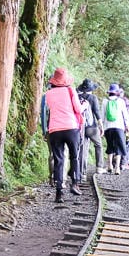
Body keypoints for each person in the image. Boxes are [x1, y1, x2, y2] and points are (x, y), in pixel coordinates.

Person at [40, 67, 84, 203]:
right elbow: (78, 109)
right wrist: (86, 106)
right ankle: (75, 184)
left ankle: (59, 192)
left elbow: (43, 113)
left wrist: (44, 130)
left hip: (54, 130)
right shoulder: (70, 91)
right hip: (71, 128)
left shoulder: (47, 94)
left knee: (59, 160)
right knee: (74, 157)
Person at [102, 83, 129, 174]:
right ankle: (117, 168)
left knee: (110, 146)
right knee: (119, 147)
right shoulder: (121, 101)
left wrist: (102, 128)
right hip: (119, 127)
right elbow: (125, 116)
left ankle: (109, 165)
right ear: (117, 93)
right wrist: (127, 126)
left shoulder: (104, 101)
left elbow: (102, 115)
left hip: (108, 128)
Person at [76, 78, 104, 174]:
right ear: (91, 89)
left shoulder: (77, 97)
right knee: (98, 145)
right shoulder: (93, 98)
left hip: (81, 127)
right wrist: (101, 126)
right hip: (92, 127)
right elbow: (97, 112)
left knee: (82, 149)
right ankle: (99, 167)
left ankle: (82, 171)